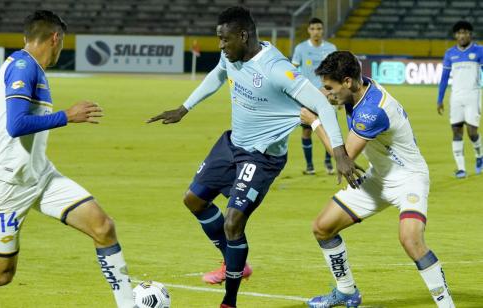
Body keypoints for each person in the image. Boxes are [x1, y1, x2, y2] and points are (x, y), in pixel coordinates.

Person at [148, 7, 361, 308]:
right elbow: (217, 74)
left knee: (233, 223)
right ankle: (234, 262)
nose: (220, 46)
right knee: (193, 200)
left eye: (224, 40)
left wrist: (339, 154)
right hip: (233, 144)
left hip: (262, 157)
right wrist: (184, 108)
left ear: (243, 35)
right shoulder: (231, 57)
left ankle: (229, 301)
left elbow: (323, 106)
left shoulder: (276, 69)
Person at [0, 10, 134, 308]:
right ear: (55, 38)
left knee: (103, 227)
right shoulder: (25, 68)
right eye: (62, 42)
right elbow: (15, 124)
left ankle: (128, 305)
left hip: (40, 175)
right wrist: (68, 115)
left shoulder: (14, 63)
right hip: (6, 186)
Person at [301, 51, 455, 308]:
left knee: (411, 240)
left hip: (409, 179)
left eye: (330, 88)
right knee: (322, 227)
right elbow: (323, 91)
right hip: (378, 178)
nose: (327, 93)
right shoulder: (359, 87)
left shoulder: (371, 111)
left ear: (348, 81)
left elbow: (345, 158)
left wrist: (314, 123)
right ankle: (347, 291)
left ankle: (447, 305)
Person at [437, 20, 483, 178]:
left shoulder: (479, 51)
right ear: (455, 35)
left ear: (470, 34)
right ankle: (461, 168)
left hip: (473, 96)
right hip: (456, 97)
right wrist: (440, 99)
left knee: (472, 133)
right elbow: (444, 78)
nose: (461, 35)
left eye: (465, 32)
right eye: (459, 33)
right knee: (456, 132)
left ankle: (479, 156)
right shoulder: (450, 53)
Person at [292, 17, 337, 175]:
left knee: (329, 130)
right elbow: (293, 72)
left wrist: (332, 92)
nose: (316, 32)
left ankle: (328, 162)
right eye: (313, 29)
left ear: (322, 30)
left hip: (326, 96)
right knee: (306, 131)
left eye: (319, 28)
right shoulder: (301, 48)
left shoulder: (331, 48)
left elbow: (336, 73)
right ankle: (310, 165)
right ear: (308, 30)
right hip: (306, 97)